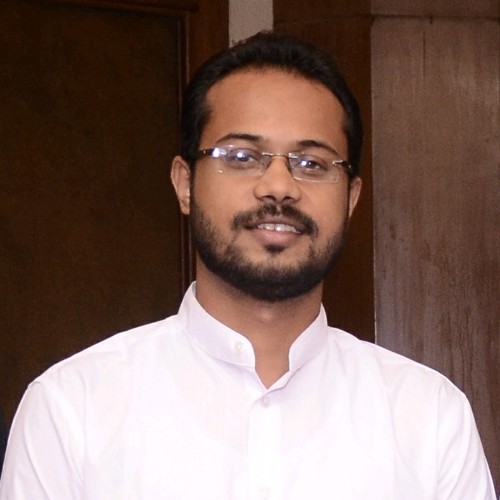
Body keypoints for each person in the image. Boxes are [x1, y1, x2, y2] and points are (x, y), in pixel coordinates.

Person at [0, 32, 495, 499]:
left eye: (312, 163)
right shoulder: (74, 410)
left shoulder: (427, 417)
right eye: (241, 156)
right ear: (185, 184)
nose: (278, 186)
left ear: (351, 198)